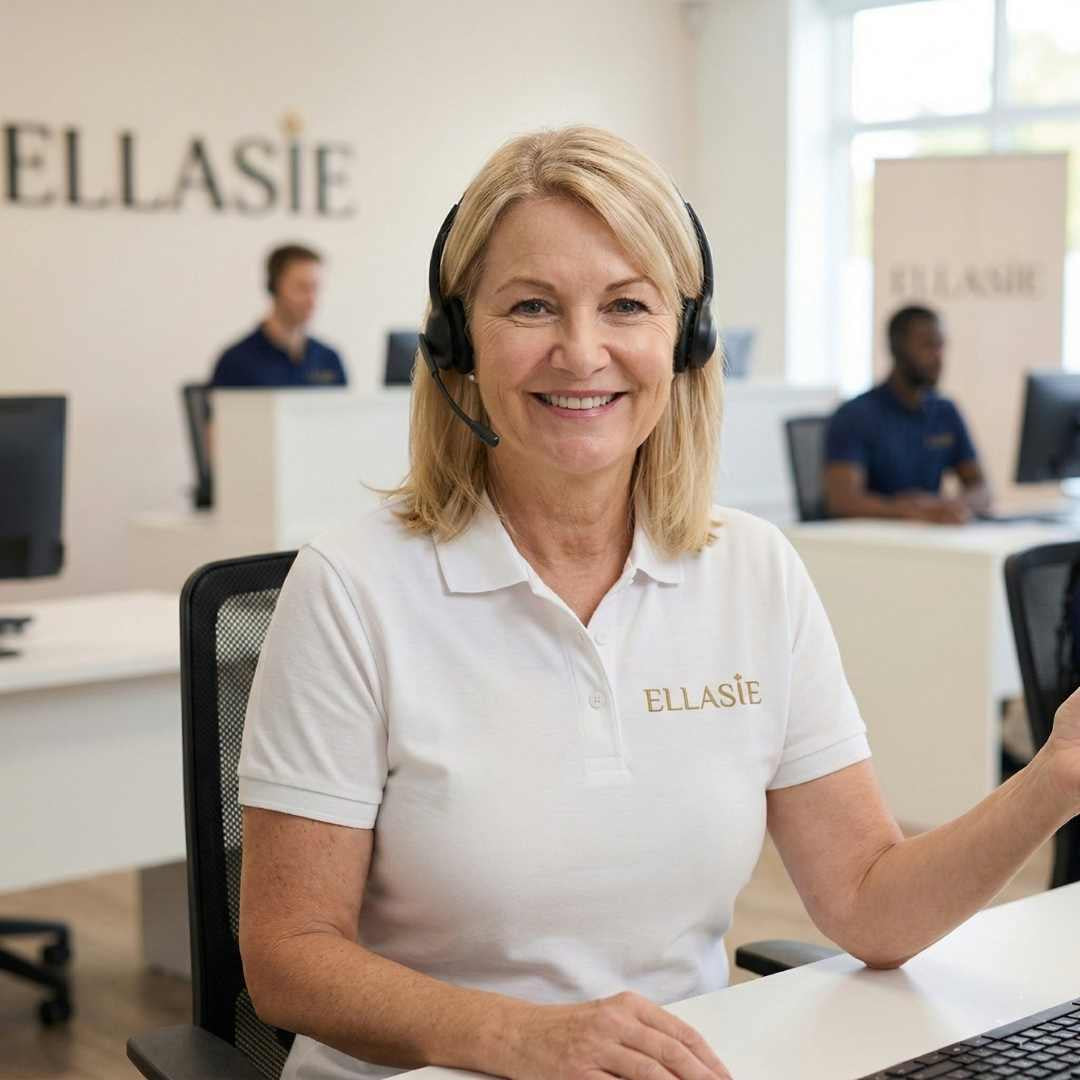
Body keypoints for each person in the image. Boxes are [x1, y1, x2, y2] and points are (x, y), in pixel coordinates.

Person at [236, 128, 1080, 1080]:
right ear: (457, 344)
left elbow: (869, 904)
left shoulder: (754, 570)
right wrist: (517, 1037)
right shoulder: (351, 590)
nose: (581, 350)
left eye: (627, 304)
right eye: (531, 306)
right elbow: (287, 959)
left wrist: (1055, 774)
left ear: (684, 342)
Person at [823, 305, 990, 523]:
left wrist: (955, 505)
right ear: (897, 349)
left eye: (940, 346)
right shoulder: (854, 415)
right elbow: (843, 501)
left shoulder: (945, 411)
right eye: (927, 346)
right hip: (874, 544)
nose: (938, 357)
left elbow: (981, 488)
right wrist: (911, 510)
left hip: (931, 539)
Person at [209, 244, 347, 387]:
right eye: (302, 288)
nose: (311, 300)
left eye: (315, 288)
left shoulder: (329, 359)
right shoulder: (236, 362)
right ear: (274, 287)